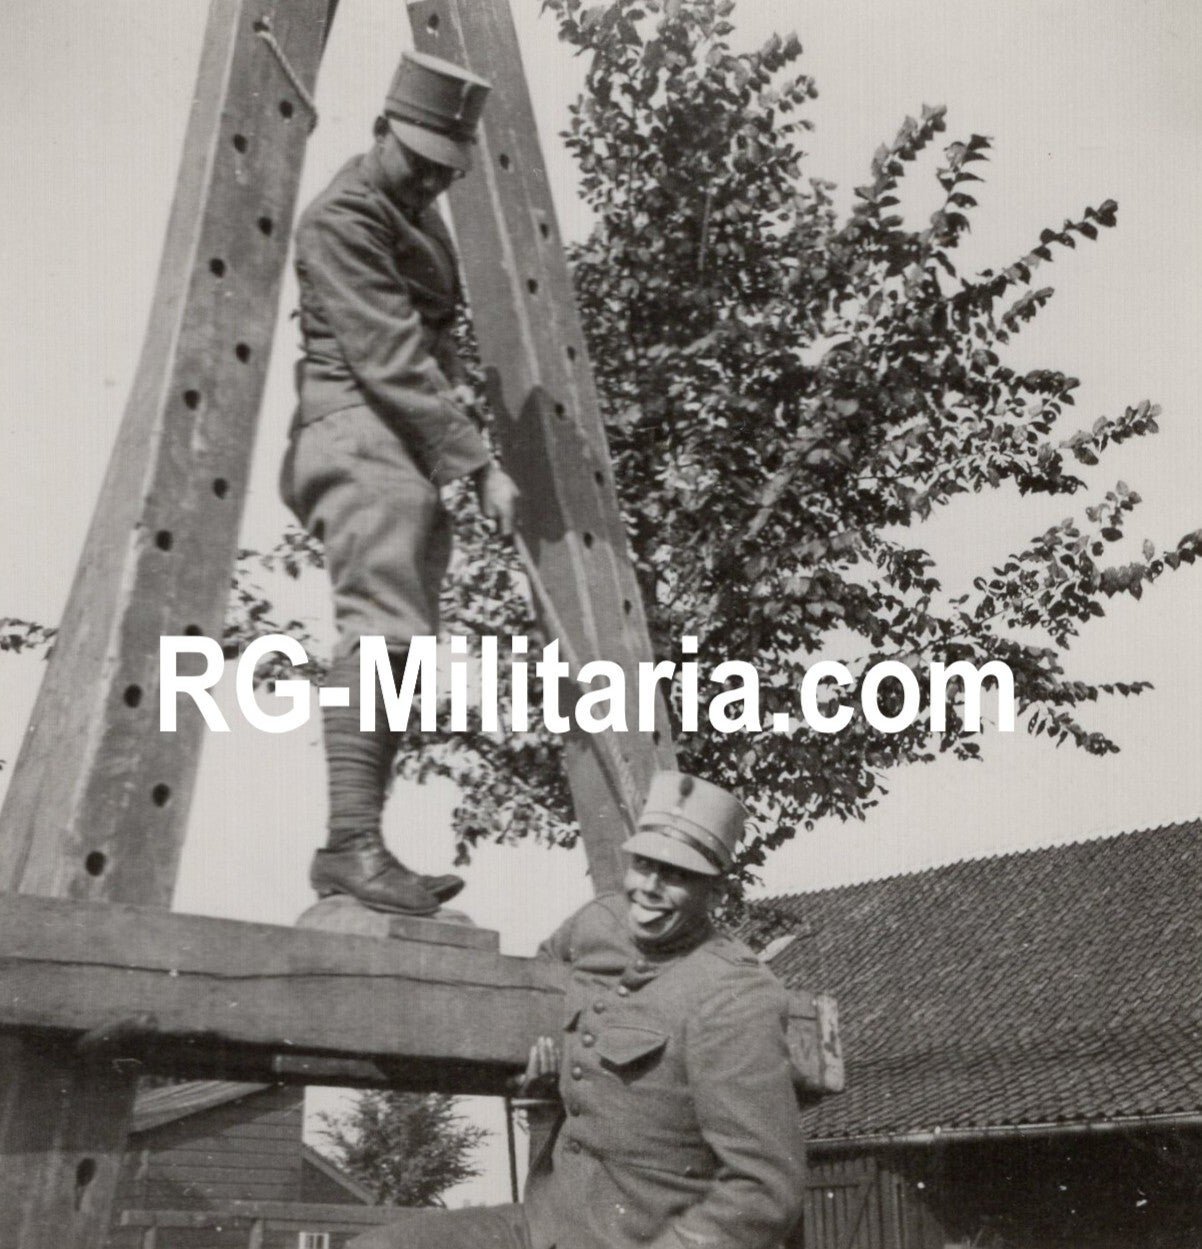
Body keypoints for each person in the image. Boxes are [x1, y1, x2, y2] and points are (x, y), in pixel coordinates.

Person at [350, 771, 808, 1249]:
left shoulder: (732, 995)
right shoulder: (598, 925)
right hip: (544, 1224)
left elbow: (765, 1189)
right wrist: (539, 1077)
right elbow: (539, 991)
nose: (649, 888)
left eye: (676, 875)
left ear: (714, 893)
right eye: (644, 864)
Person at [280, 51, 520, 917]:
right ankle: (350, 845)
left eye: (441, 169)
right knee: (382, 640)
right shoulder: (343, 217)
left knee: (404, 653)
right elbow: (387, 355)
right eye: (416, 158)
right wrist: (480, 462)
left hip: (400, 449)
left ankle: (360, 843)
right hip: (356, 433)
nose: (426, 179)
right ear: (381, 128)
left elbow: (435, 342)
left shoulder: (411, 209)